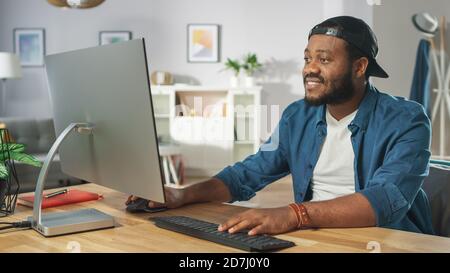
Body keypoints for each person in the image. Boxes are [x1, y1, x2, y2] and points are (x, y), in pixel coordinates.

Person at [127, 16, 434, 235]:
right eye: (307, 58)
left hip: (385, 239)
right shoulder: (296, 115)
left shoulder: (407, 119)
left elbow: (385, 200)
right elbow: (248, 173)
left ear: (359, 67)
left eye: (324, 59)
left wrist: (294, 214)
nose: (310, 68)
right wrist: (183, 195)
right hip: (315, 235)